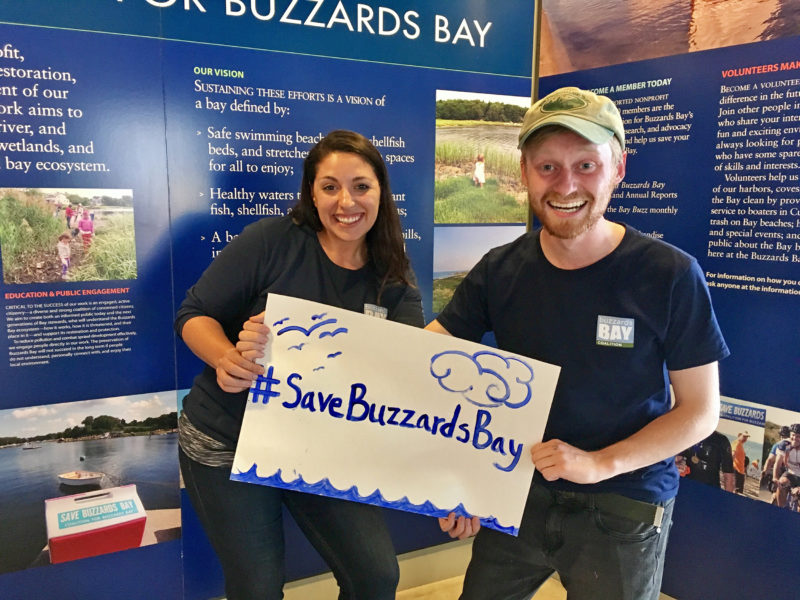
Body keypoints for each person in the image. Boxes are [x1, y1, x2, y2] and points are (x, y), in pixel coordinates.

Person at [426, 86, 729, 599]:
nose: (566, 184)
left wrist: (598, 463)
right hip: (518, 489)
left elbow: (700, 411)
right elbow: (421, 360)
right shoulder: (499, 269)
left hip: (623, 502)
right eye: (547, 167)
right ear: (523, 172)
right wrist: (463, 479)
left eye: (586, 165)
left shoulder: (670, 274)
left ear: (618, 168)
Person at [175, 130, 424, 600]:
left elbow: (407, 380)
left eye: (361, 186)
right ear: (311, 192)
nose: (345, 201)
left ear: (381, 192)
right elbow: (193, 315)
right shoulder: (271, 241)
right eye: (330, 186)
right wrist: (226, 357)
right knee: (258, 587)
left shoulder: (393, 280)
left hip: (320, 448)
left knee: (376, 577)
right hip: (228, 437)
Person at [774, 423, 800, 508]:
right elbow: (777, 463)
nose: (795, 439)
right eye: (793, 435)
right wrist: (775, 478)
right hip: (791, 474)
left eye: (798, 436)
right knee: (781, 483)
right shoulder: (785, 444)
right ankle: (780, 510)